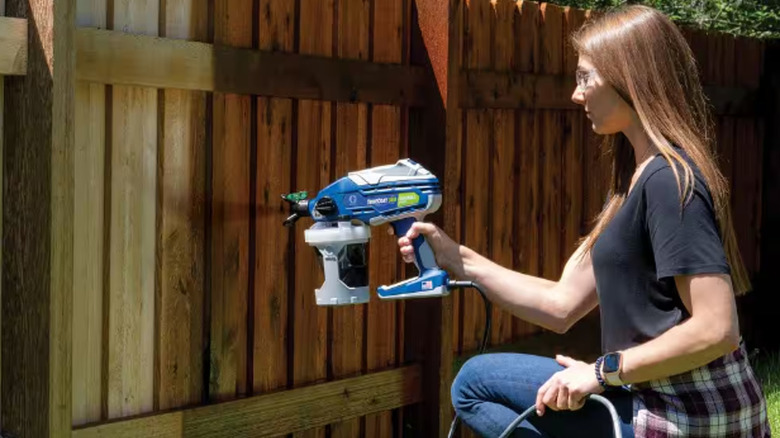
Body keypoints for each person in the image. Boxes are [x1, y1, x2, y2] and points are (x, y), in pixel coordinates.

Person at [395, 5, 770, 438]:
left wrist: (604, 371)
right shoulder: (633, 182)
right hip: (651, 397)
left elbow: (717, 327)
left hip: (687, 415)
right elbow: (561, 305)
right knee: (473, 383)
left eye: (585, 77)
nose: (577, 94)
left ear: (628, 78)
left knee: (474, 383)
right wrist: (455, 256)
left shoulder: (668, 180)